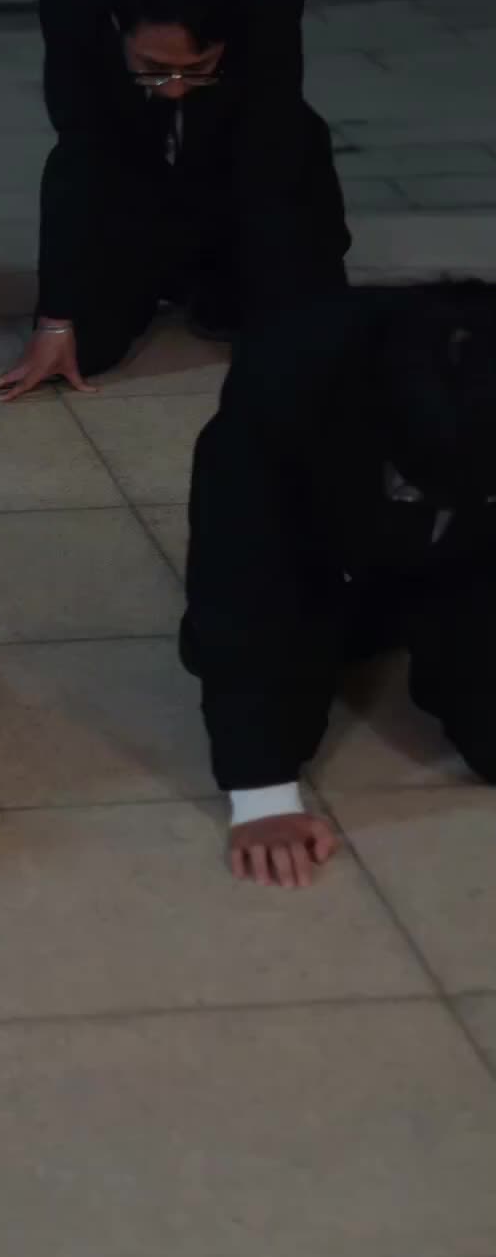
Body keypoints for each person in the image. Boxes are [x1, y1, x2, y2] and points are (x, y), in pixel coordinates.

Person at [181, 279, 496, 890]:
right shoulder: (290, 374)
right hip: (326, 549)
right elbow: (244, 579)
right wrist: (262, 797)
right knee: (266, 671)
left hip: (478, 555)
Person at [0, 0, 349, 402]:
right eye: (154, 66)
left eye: (197, 68)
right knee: (84, 347)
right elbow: (81, 155)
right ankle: (158, 270)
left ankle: (213, 277)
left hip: (236, 168)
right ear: (119, 29)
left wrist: (285, 317)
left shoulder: (267, 0)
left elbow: (269, 165)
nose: (174, 89)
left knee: (283, 326)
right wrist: (56, 320)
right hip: (133, 177)